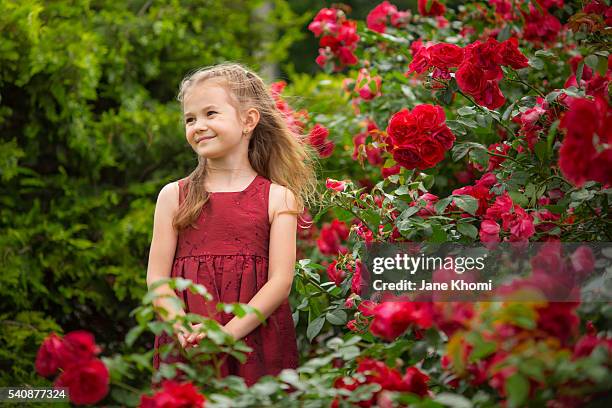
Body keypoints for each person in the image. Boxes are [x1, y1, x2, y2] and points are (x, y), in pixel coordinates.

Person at [146, 62, 317, 385]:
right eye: (190, 119)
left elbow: (280, 283)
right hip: (187, 344)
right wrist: (180, 327)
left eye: (211, 114)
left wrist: (227, 335)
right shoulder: (173, 196)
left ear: (248, 120)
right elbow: (157, 278)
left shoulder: (278, 199)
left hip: (252, 343)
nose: (198, 126)